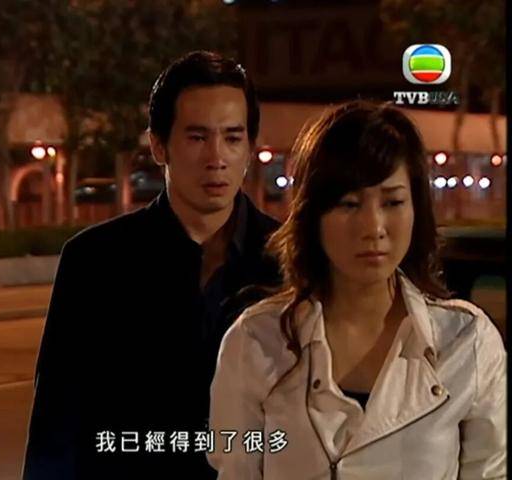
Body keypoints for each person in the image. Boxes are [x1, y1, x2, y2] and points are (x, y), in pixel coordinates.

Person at [208, 100, 506, 479]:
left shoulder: (467, 342)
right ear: (312, 215)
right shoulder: (256, 341)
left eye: (393, 202)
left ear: (417, 209)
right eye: (349, 204)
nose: (373, 227)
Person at [22, 50, 281, 479]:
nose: (216, 157)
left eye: (233, 138)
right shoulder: (95, 261)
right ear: (159, 145)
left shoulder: (291, 259)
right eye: (197, 138)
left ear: (250, 147)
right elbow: (56, 422)